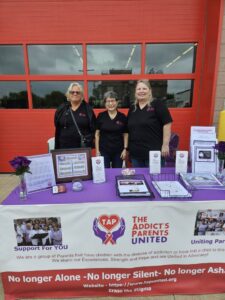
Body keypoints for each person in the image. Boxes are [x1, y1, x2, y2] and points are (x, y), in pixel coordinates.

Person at [127, 79, 173, 167]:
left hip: (154, 153)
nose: (141, 91)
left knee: (154, 179)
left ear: (150, 91)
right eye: (139, 89)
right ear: (135, 92)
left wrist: (165, 145)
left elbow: (167, 124)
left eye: (144, 89)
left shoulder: (157, 105)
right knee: (139, 179)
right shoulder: (132, 108)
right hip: (136, 153)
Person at [54, 82, 96, 149]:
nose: (75, 94)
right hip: (63, 148)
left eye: (77, 92)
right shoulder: (61, 108)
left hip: (82, 148)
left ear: (81, 95)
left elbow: (94, 128)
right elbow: (56, 125)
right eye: (72, 92)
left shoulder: (88, 110)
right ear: (68, 94)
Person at [95, 91, 128, 168]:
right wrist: (97, 150)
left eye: (112, 101)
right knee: (104, 173)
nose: (110, 104)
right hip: (104, 150)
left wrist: (125, 149)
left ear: (117, 102)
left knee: (117, 173)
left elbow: (126, 134)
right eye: (108, 101)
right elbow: (97, 134)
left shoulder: (122, 117)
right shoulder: (101, 116)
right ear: (105, 103)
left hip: (118, 151)